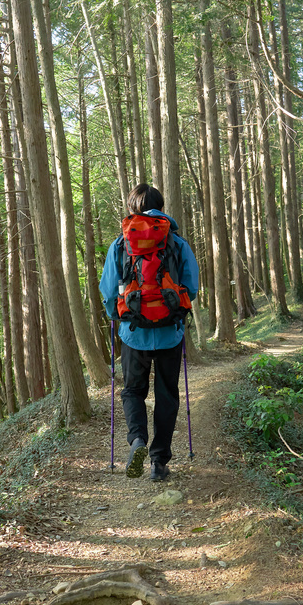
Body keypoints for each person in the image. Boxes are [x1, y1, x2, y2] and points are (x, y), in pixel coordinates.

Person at [100, 184, 199, 481]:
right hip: (170, 332)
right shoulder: (177, 242)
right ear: (161, 205)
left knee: (133, 391)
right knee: (167, 394)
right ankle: (158, 462)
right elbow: (191, 287)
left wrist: (118, 316)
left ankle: (138, 440)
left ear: (133, 207)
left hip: (133, 332)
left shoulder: (121, 243)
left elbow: (108, 291)